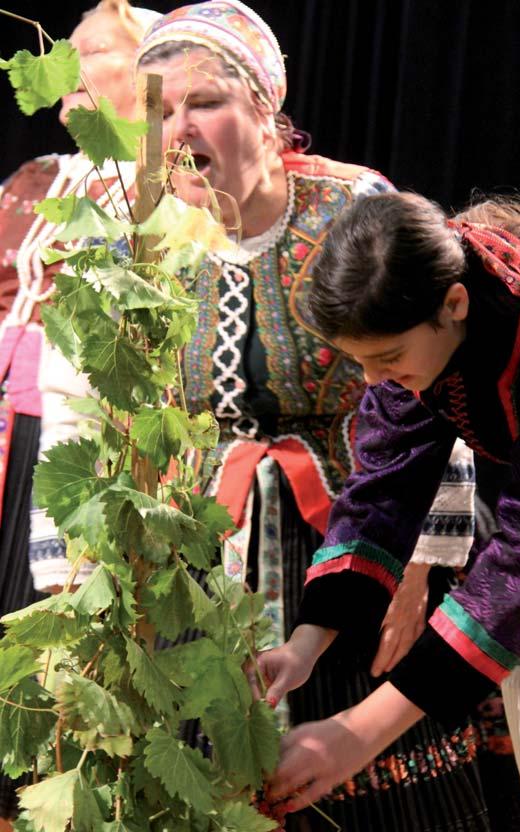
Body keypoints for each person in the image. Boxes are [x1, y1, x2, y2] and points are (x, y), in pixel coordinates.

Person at [135, 5, 491, 830]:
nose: (176, 128)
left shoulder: (351, 209)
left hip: (352, 531)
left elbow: (426, 396)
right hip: (205, 545)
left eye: (203, 102)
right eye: (157, 111)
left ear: (265, 108)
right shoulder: (146, 238)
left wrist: (419, 572)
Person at [263, 192, 520, 828]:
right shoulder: (426, 334)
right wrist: (306, 643)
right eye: (360, 362)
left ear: (454, 305)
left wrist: (360, 730)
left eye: (387, 359)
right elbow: (383, 486)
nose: (375, 380)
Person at [0, 0, 160, 821]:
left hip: (141, 448)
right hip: (32, 434)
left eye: (90, 50)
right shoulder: (43, 180)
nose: (66, 65)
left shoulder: (196, 188)